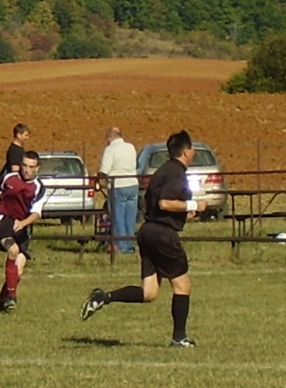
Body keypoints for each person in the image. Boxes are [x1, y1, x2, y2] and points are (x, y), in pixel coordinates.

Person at [80, 130, 207, 348]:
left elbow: (156, 203)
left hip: (148, 231)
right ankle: (179, 337)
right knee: (183, 285)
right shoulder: (176, 172)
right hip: (163, 235)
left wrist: (183, 213)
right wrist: (194, 205)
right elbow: (165, 203)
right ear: (186, 151)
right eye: (192, 148)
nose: (193, 151)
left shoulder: (161, 172)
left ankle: (104, 297)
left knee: (149, 293)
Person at [0, 151, 48, 312]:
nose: (26, 170)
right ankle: (11, 297)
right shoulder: (9, 178)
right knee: (13, 250)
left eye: (31, 167)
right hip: (4, 221)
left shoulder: (39, 187)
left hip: (22, 225)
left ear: (37, 168)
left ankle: (0, 302)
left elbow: (37, 213)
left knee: (19, 270)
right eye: (24, 165)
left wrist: (23, 223)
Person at [98, 126, 138, 253]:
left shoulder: (110, 149)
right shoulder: (130, 147)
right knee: (130, 217)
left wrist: (98, 178)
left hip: (118, 185)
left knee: (118, 217)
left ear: (110, 137)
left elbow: (104, 170)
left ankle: (121, 247)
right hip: (133, 184)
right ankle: (130, 244)